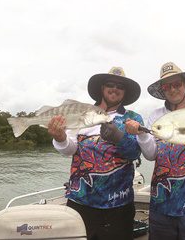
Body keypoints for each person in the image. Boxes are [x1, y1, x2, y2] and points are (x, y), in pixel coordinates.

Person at [125, 62, 185, 240]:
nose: (172, 89)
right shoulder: (156, 116)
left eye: (177, 84)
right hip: (162, 204)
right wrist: (141, 135)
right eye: (167, 86)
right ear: (163, 90)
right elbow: (151, 155)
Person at [48, 67, 143, 240]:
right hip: (80, 201)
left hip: (119, 205)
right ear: (102, 88)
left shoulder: (133, 118)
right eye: (110, 84)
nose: (115, 88)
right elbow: (69, 149)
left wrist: (120, 138)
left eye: (120, 86)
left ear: (125, 92)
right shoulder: (80, 114)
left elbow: (134, 153)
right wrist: (60, 138)